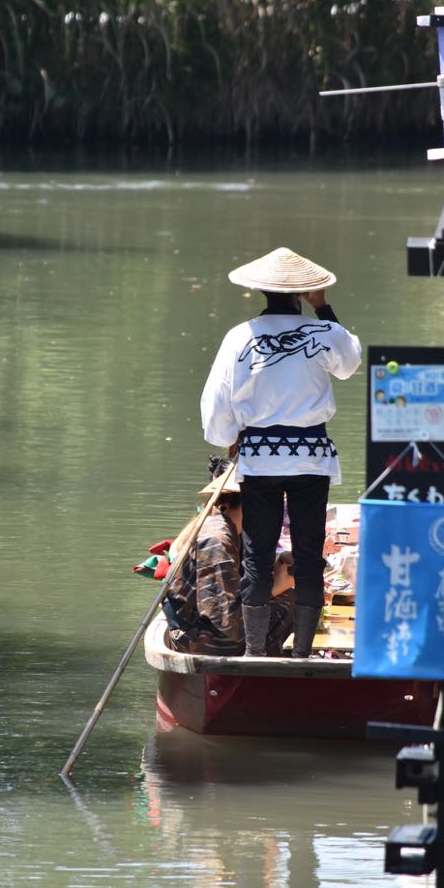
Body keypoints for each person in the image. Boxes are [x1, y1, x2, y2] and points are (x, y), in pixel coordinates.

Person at [200, 247, 361, 658]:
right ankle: (303, 652)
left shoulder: (240, 336)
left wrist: (228, 436)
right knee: (308, 555)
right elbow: (349, 363)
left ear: (261, 291)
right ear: (303, 294)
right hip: (311, 458)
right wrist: (323, 308)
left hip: (260, 459)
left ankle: (254, 652)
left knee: (257, 554)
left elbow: (217, 401)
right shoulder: (323, 332)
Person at [162, 459, 294, 656]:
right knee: (290, 601)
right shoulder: (217, 540)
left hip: (213, 628)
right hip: (200, 639)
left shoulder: (233, 530)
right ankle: (266, 666)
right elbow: (228, 621)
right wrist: (276, 588)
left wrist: (279, 564)